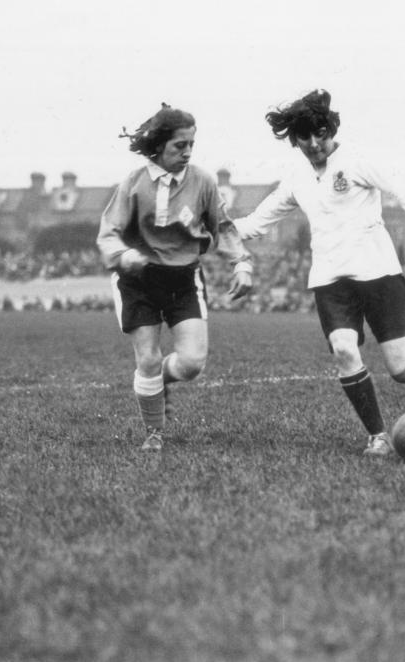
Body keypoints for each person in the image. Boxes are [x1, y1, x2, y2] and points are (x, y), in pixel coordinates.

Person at [234, 89, 405, 457]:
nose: (315, 144)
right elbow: (255, 223)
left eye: (321, 134)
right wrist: (209, 230)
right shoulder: (297, 177)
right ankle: (377, 436)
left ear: (332, 129)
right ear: (294, 139)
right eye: (305, 137)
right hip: (331, 282)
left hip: (378, 274)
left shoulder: (358, 161)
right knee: (344, 348)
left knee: (402, 371)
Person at [97, 103, 254, 452]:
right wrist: (124, 255)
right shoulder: (134, 184)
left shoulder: (203, 181)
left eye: (191, 145)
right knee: (148, 358)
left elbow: (223, 227)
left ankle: (161, 380)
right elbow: (108, 232)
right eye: (178, 146)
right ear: (158, 146)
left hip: (183, 279)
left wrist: (241, 263)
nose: (186, 153)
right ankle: (154, 432)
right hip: (138, 280)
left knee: (192, 363)